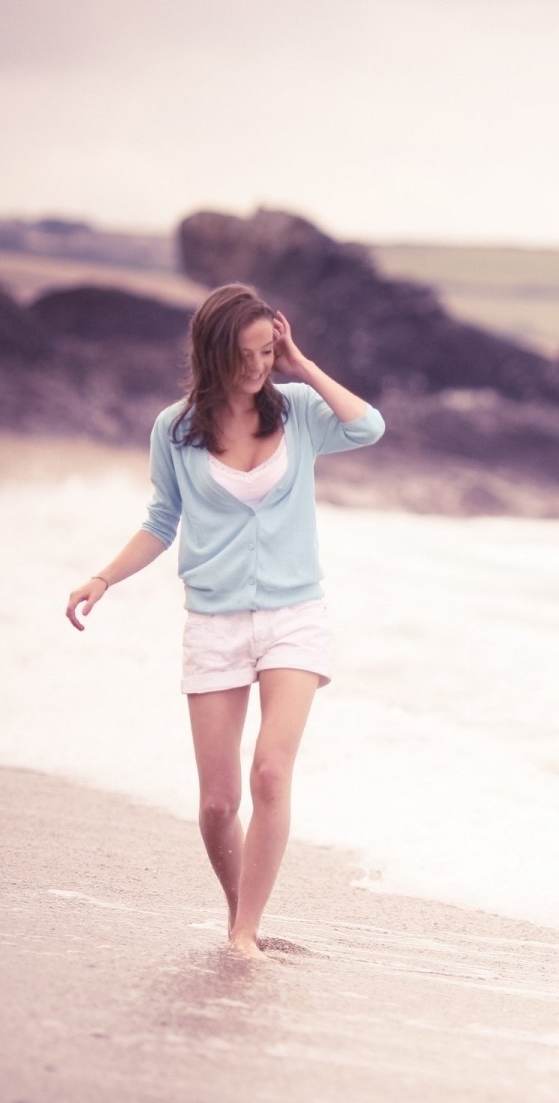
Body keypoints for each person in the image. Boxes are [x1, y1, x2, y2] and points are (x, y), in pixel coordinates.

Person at [64, 282, 385, 959]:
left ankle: (245, 934)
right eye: (248, 355)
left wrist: (303, 364)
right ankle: (240, 913)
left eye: (268, 352)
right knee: (217, 804)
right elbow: (160, 522)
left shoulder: (297, 410)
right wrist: (103, 578)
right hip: (214, 621)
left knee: (270, 772)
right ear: (214, 355)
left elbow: (367, 426)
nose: (260, 367)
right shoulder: (174, 429)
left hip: (294, 614)